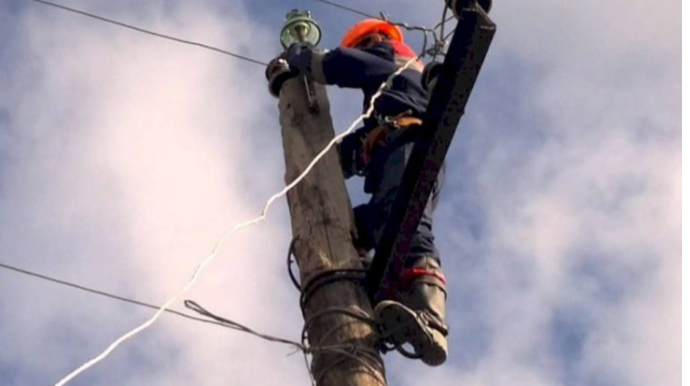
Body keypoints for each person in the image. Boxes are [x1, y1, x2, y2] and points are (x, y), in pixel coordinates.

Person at [283, 19, 448, 366]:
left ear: (374, 39)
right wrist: (327, 163)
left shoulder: (393, 58)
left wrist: (302, 57)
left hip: (408, 147)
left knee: (405, 221)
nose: (364, 51)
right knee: (358, 227)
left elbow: (344, 65)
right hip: (397, 151)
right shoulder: (392, 97)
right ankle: (386, 298)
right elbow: (360, 146)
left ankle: (430, 316)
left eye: (363, 46)